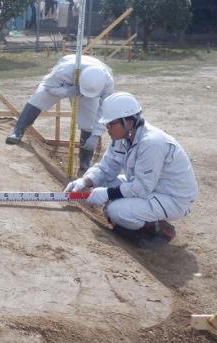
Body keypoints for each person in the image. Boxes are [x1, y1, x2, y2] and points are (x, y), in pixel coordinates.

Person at [65, 92, 198, 247]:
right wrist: (86, 181)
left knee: (115, 211)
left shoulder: (152, 143)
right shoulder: (123, 138)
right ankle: (139, 220)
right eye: (106, 125)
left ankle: (159, 230)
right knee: (105, 187)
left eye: (111, 124)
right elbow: (107, 168)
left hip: (173, 198)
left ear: (128, 122)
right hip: (151, 187)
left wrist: (106, 193)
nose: (107, 129)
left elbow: (141, 187)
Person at [6, 54, 114, 172]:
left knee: (89, 121)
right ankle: (17, 132)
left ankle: (85, 161)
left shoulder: (107, 83)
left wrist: (96, 134)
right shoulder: (64, 70)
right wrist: (67, 91)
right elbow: (49, 87)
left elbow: (104, 110)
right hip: (65, 84)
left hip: (90, 87)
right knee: (38, 97)